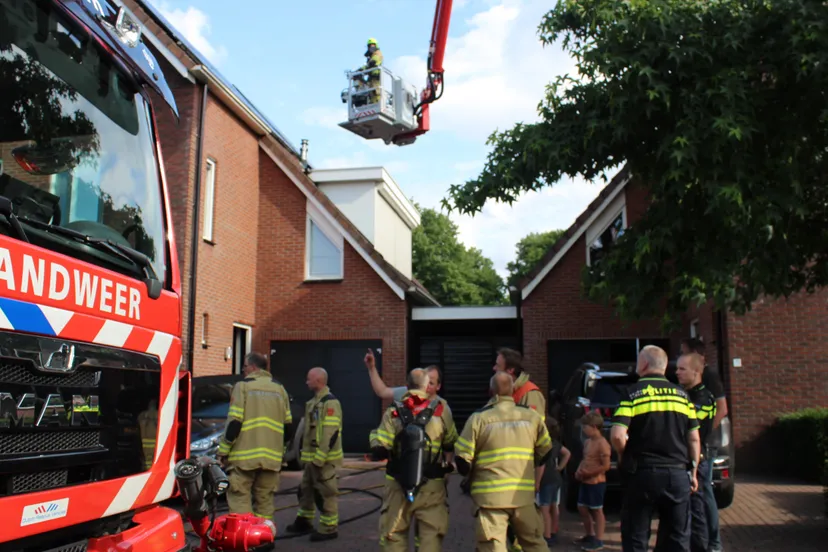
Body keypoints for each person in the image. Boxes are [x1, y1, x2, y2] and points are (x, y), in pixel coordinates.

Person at [610, 345, 701, 552]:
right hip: (677, 474)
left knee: (636, 536)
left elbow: (617, 435)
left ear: (643, 364)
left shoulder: (632, 393)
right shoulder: (682, 395)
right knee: (676, 538)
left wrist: (624, 455)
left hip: (642, 474)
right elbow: (694, 439)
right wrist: (693, 472)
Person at [454, 371, 553, 552]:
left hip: (490, 498)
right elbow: (546, 451)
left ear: (491, 391)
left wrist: (469, 474)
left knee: (493, 546)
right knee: (534, 544)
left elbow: (462, 460)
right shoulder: (531, 417)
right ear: (513, 390)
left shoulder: (479, 418)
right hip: (522, 497)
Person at [368, 368, 457, 551]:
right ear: (426, 386)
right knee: (430, 537)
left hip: (398, 485)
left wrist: (375, 440)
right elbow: (451, 442)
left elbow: (381, 444)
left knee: (394, 535)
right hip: (432, 487)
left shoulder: (393, 411)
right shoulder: (441, 411)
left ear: (406, 386)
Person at [216, 352, 292, 520]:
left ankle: (245, 534)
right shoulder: (280, 389)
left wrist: (223, 450)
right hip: (271, 459)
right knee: (265, 501)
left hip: (244, 458)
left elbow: (234, 422)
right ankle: (264, 534)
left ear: (253, 367)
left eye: (244, 367)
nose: (243, 370)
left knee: (239, 498)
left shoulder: (243, 386)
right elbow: (288, 427)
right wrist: (281, 452)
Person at [491, 348, 546, 552]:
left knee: (525, 532)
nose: (493, 368)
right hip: (505, 473)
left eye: (498, 365)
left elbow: (537, 436)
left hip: (522, 474)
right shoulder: (503, 393)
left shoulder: (530, 394)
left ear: (510, 370)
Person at [285, 367, 343, 541]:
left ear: (318, 380)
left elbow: (330, 433)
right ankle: (304, 520)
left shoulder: (330, 403)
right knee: (306, 491)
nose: (306, 382)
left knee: (326, 493)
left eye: (309, 379)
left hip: (324, 461)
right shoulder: (313, 403)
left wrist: (320, 458)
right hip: (312, 461)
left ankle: (329, 528)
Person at [679, 337, 726, 552]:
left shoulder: (709, 378)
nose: (677, 370)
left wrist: (701, 436)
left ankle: (713, 543)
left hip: (703, 447)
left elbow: (721, 409)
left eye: (683, 353)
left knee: (704, 494)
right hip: (696, 446)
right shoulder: (686, 389)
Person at [675, 352, 718, 552]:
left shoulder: (704, 398)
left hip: (698, 460)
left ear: (697, 371)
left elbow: (689, 427)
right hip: (686, 458)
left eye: (682, 369)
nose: (677, 372)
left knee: (698, 507)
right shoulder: (684, 394)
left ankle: (706, 546)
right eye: (677, 368)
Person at [573, 411, 611, 551]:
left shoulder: (603, 443)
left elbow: (605, 466)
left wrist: (589, 473)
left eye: (585, 427)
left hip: (596, 483)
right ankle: (590, 535)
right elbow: (585, 459)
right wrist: (579, 471)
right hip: (585, 481)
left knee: (597, 510)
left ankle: (599, 540)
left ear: (594, 427)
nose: (583, 429)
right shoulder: (588, 442)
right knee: (582, 508)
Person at [537, 417, 571, 546]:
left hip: (546, 479)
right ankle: (554, 531)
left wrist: (537, 482)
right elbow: (567, 453)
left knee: (544, 508)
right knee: (554, 506)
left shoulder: (542, 445)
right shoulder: (556, 443)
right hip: (556, 478)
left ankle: (546, 535)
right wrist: (560, 467)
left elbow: (541, 465)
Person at [358, 38, 383, 103]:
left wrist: (362, 69)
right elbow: (368, 66)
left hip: (376, 79)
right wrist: (359, 71)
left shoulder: (378, 53)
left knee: (376, 93)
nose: (371, 47)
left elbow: (372, 62)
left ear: (376, 45)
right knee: (369, 92)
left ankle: (377, 102)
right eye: (370, 46)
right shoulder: (371, 56)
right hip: (371, 78)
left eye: (373, 45)